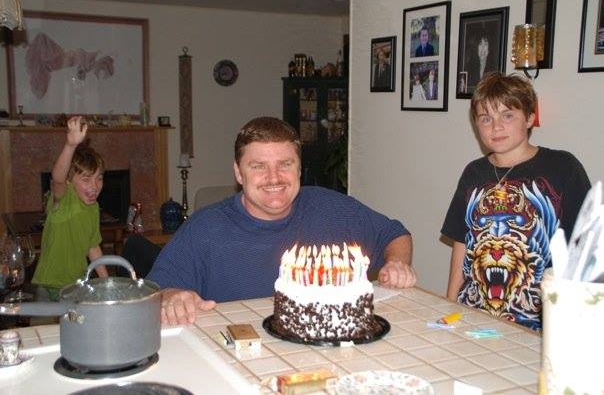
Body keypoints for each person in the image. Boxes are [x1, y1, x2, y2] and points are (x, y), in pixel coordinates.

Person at [148, 117, 416, 326]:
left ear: (299, 169)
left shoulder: (330, 208)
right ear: (238, 173)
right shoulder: (205, 229)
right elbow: (153, 293)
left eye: (285, 164)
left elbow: (394, 234)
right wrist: (171, 298)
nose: (274, 178)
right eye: (259, 166)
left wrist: (397, 264)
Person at [441, 73, 591, 331]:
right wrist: (450, 304)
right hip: (473, 317)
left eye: (507, 115)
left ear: (530, 117)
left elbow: (585, 251)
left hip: (540, 325)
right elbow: (461, 244)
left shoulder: (563, 168)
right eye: (485, 118)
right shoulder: (473, 173)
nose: (496, 126)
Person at [32, 116, 108, 301]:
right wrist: (70, 145)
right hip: (51, 286)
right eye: (86, 179)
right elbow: (58, 178)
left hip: (76, 284)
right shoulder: (66, 200)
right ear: (70, 181)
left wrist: (107, 282)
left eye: (99, 178)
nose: (95, 186)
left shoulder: (93, 207)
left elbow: (92, 246)